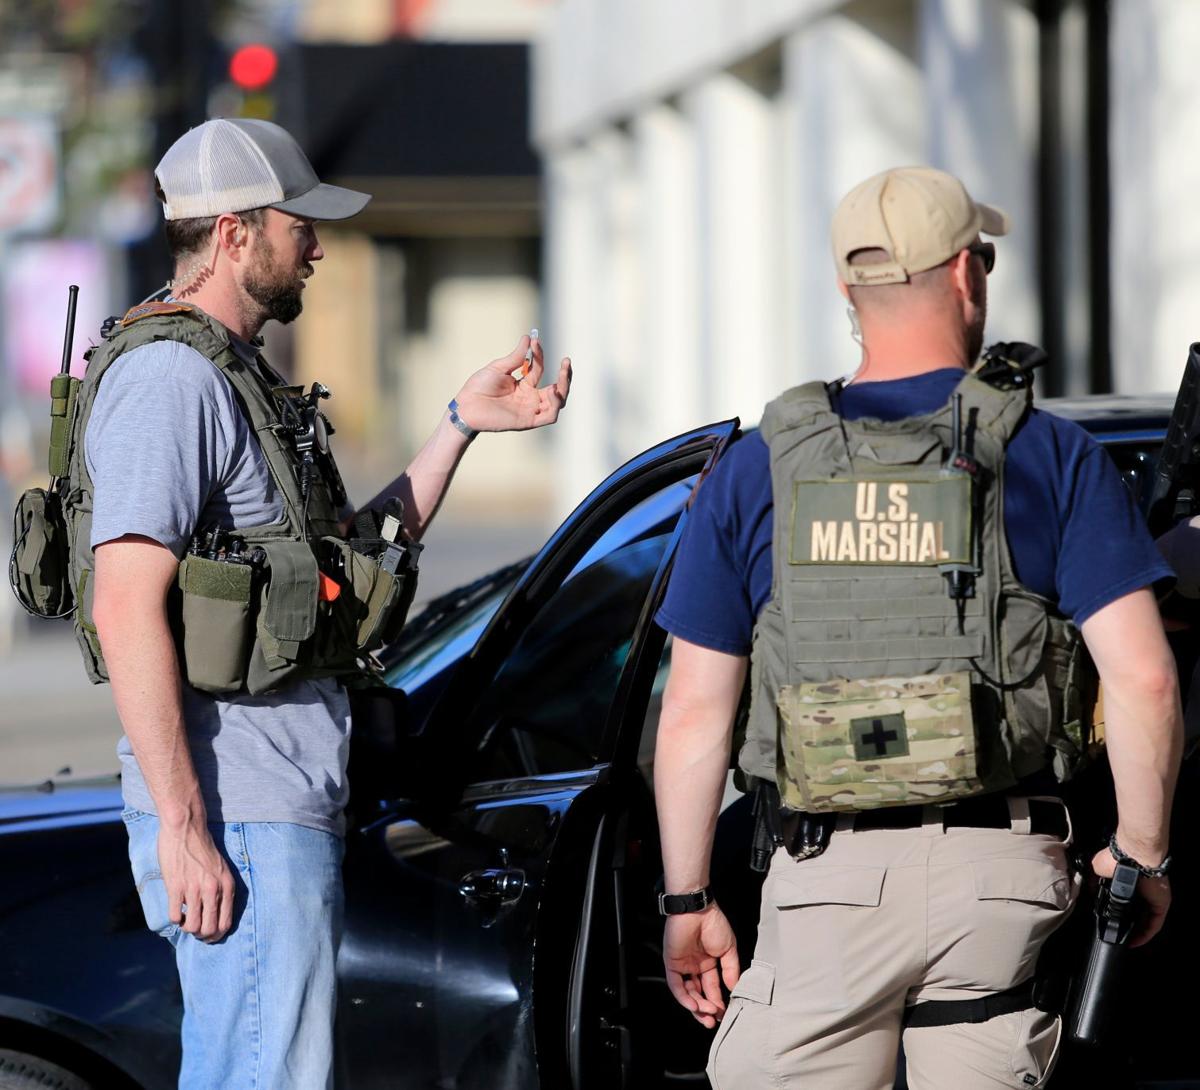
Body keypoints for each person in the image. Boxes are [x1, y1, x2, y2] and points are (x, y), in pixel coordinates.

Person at [652, 165, 1182, 1089]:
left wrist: (689, 898)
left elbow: (695, 711)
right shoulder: (1046, 453)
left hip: (828, 883)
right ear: (969, 276)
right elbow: (1143, 679)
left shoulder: (756, 470)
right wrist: (1140, 855)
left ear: (847, 290)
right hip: (1002, 880)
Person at [76, 118, 571, 1090]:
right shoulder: (172, 380)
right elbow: (124, 602)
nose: (317, 243)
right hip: (238, 815)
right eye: (297, 223)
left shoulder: (232, 377)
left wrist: (459, 427)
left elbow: (342, 566)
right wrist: (184, 828)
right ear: (232, 232)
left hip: (273, 807)